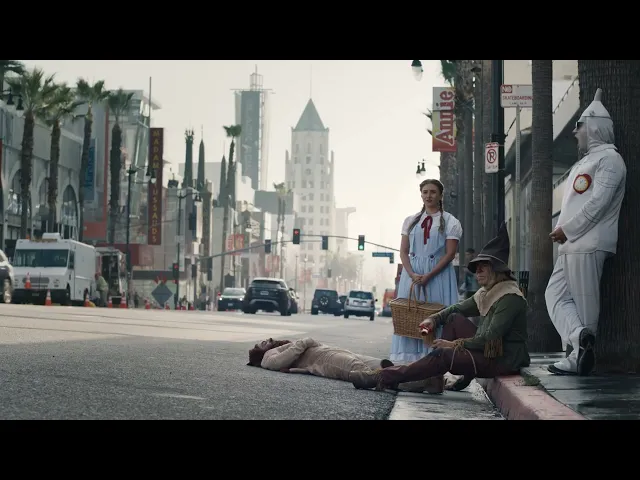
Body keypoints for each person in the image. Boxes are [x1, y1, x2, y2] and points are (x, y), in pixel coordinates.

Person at [349, 223, 530, 393]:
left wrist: (453, 345)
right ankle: (434, 379)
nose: (478, 271)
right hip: (488, 353)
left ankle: (383, 377)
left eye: (484, 267)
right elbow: (456, 309)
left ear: (498, 270)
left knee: (443, 354)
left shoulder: (509, 297)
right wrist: (433, 319)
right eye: (477, 267)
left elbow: (488, 338)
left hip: (502, 360)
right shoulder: (487, 293)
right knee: (453, 319)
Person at [545, 88, 627, 377]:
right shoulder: (585, 162)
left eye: (578, 127)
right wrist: (565, 233)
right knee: (554, 295)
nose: (574, 133)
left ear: (592, 127)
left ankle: (578, 356)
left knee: (585, 302)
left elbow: (598, 204)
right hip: (570, 244)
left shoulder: (611, 160)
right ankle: (580, 338)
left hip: (588, 243)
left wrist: (567, 230)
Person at [391, 179, 462, 367]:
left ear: (440, 195)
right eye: (425, 192)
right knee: (411, 314)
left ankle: (434, 359)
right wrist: (412, 274)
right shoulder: (410, 221)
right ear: (421, 194)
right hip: (412, 275)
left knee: (435, 314)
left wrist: (429, 275)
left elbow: (450, 254)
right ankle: (411, 362)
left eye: (432, 192)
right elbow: (403, 252)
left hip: (438, 275)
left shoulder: (451, 222)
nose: (428, 196)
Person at [246, 337, 394, 382]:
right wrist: (305, 342)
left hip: (328, 351)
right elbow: (276, 363)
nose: (268, 340)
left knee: (380, 363)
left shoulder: (281, 347)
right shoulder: (267, 357)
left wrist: (294, 370)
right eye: (262, 344)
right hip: (325, 359)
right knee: (360, 369)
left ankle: (400, 375)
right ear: (260, 354)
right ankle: (387, 378)